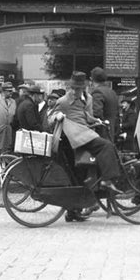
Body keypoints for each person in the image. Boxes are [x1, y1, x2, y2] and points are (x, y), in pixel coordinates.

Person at [50, 71, 121, 222]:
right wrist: (56, 116)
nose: (76, 91)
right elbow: (49, 116)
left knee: (78, 177)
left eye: (79, 88)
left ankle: (73, 212)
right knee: (106, 146)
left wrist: (97, 121)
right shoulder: (63, 101)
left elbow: (86, 117)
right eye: (74, 88)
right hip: (70, 140)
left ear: (85, 87)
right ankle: (107, 180)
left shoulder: (88, 98)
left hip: (83, 136)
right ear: (71, 87)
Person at [90, 66, 119, 140]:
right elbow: (117, 114)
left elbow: (96, 113)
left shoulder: (97, 92)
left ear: (92, 79)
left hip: (100, 134)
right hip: (111, 133)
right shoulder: (112, 92)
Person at [0, 81, 16, 153]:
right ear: (3, 91)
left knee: (8, 149)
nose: (11, 93)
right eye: (9, 91)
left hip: (9, 130)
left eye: (12, 91)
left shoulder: (13, 101)